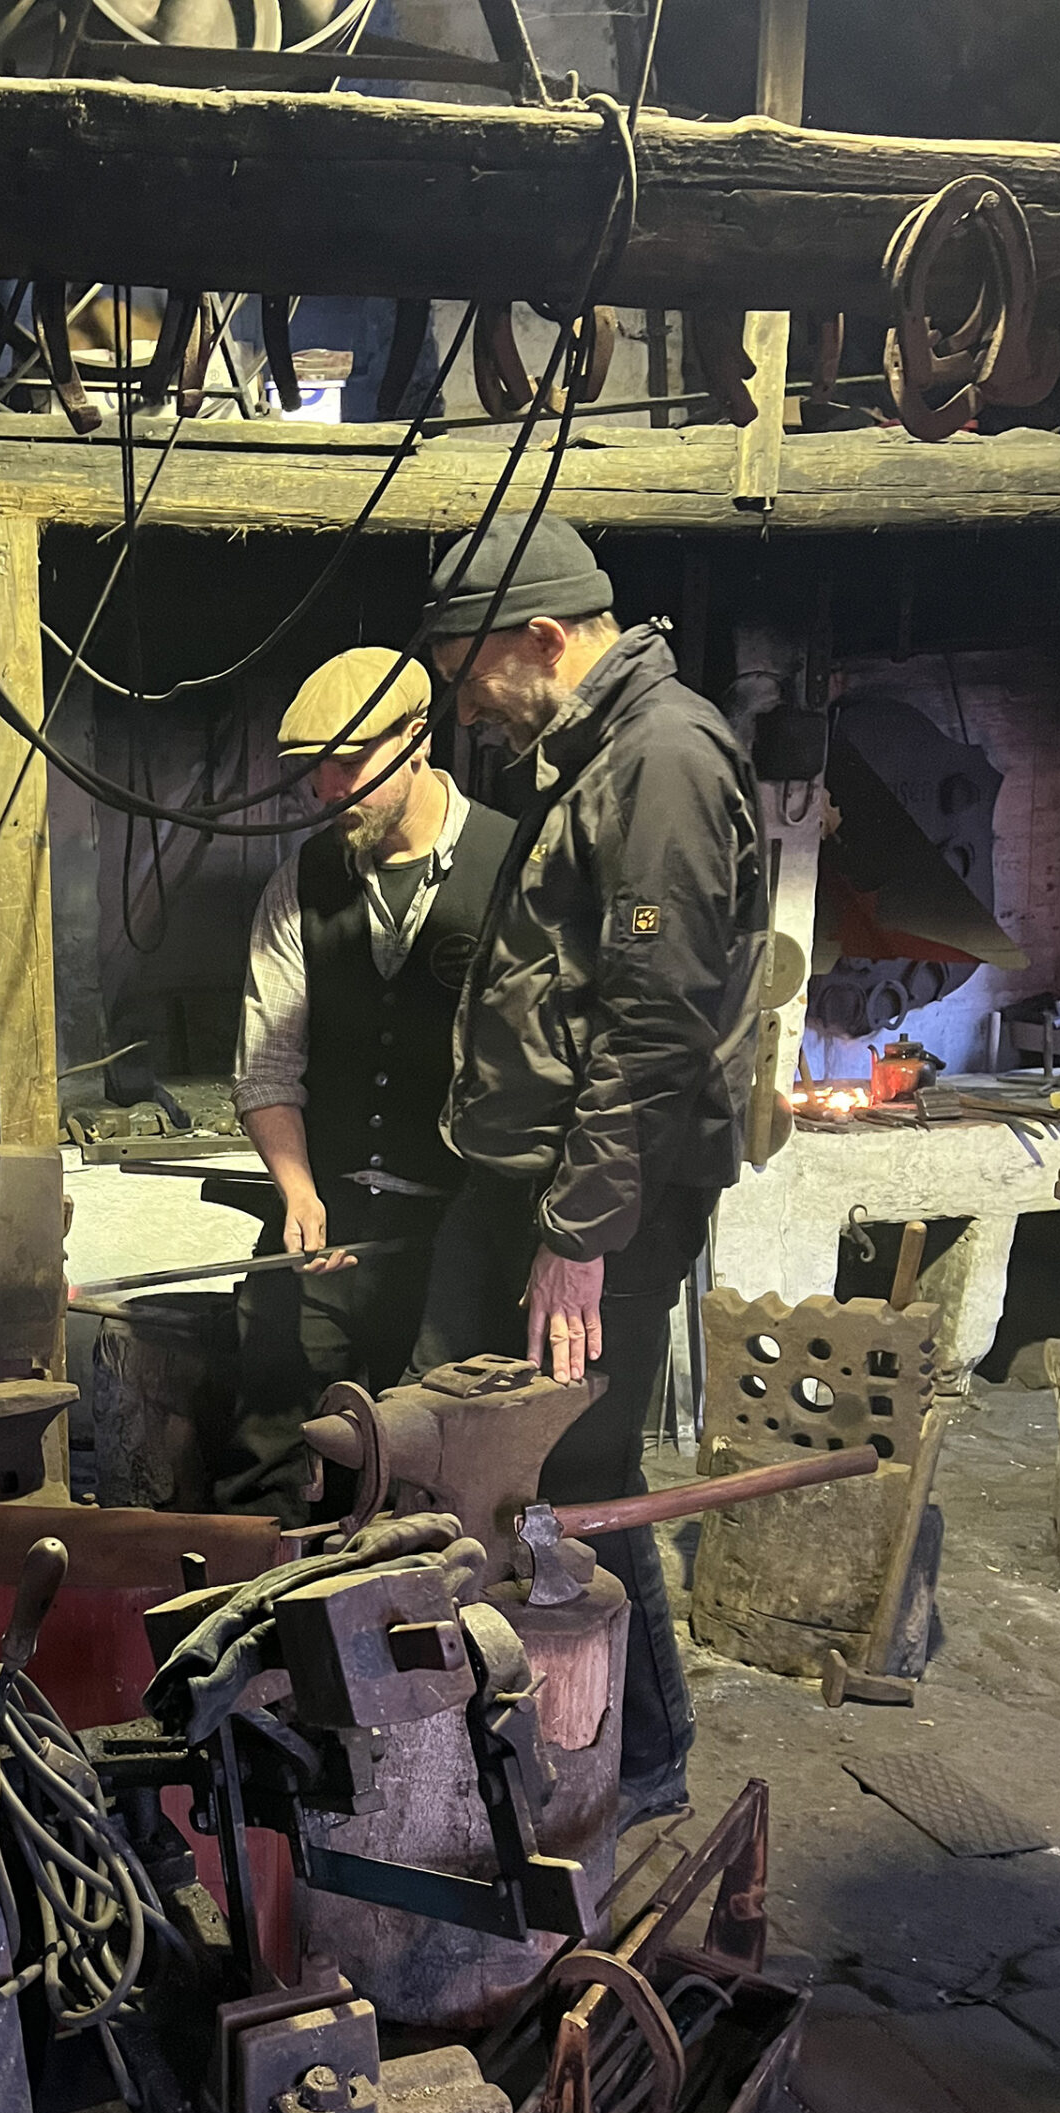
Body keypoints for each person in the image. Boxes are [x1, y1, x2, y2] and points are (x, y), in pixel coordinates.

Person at [417, 515, 768, 1825]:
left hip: (596, 1208)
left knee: (577, 1486)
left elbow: (654, 1025)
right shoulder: (599, 755)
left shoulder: (664, 758)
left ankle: (644, 1753)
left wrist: (578, 1232)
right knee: (471, 1454)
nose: (465, 707)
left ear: (543, 637)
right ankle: (508, 1731)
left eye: (469, 675)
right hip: (530, 1186)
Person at [215, 646, 515, 1523]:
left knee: (431, 1462)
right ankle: (259, 1588)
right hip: (332, 1209)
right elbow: (267, 1064)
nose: (328, 788)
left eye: (349, 762)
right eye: (315, 769)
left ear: (417, 738)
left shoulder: (513, 870)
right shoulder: (302, 882)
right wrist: (299, 1191)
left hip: (463, 1221)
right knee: (269, 1434)